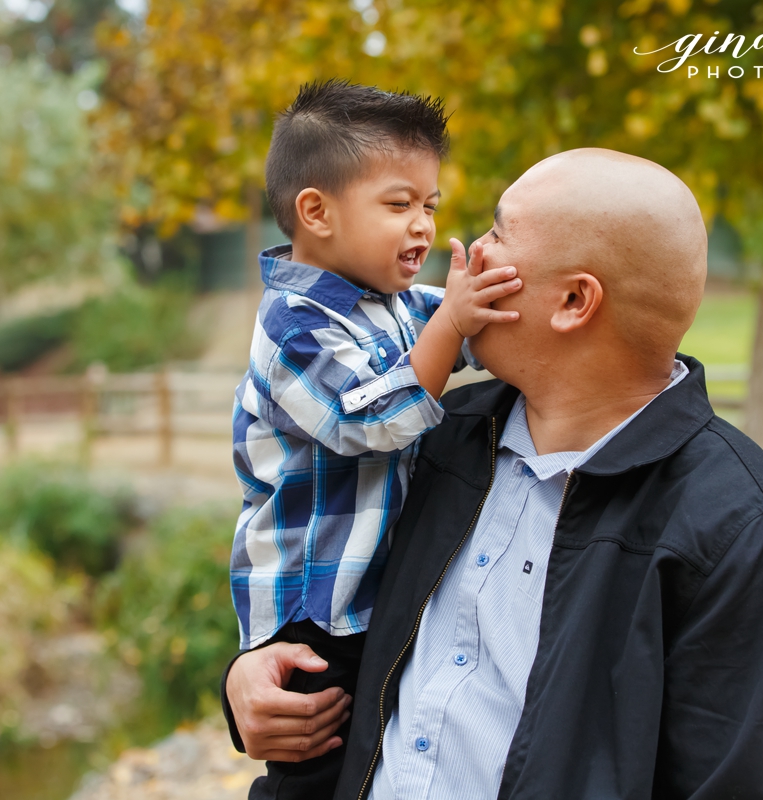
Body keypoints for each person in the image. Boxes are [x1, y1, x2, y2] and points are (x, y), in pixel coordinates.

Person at [223, 148, 763, 799]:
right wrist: (251, 682)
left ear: (572, 300)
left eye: (497, 233)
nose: (465, 250)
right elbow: (318, 559)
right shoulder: (434, 436)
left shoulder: (736, 527)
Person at [229, 80, 522, 799]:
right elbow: (372, 421)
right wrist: (452, 324)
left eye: (430, 206)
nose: (422, 226)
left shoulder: (393, 305)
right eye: (398, 205)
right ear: (316, 212)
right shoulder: (293, 326)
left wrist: (480, 300)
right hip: (316, 619)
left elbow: (467, 329)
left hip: (372, 599)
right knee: (323, 771)